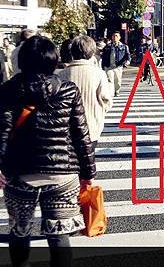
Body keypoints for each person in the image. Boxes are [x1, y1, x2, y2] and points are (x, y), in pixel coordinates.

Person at [0, 36, 96, 266]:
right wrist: (88, 173)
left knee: (19, 232)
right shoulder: (68, 90)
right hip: (63, 173)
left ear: (22, 61)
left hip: (20, 172)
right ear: (53, 60)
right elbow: (80, 135)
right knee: (59, 234)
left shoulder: (8, 89)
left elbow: (2, 132)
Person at [58, 35, 113, 152]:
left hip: (67, 128)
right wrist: (101, 111)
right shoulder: (99, 74)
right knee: (88, 159)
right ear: (92, 52)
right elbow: (107, 100)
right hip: (92, 126)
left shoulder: (61, 75)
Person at [101, 32, 130, 97]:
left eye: (116, 36)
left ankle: (117, 91)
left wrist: (128, 61)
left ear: (119, 37)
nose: (115, 37)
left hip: (118, 66)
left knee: (118, 81)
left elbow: (127, 55)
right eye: (113, 36)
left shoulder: (124, 46)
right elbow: (103, 56)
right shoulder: (108, 46)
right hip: (108, 66)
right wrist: (103, 66)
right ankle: (111, 92)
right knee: (109, 80)